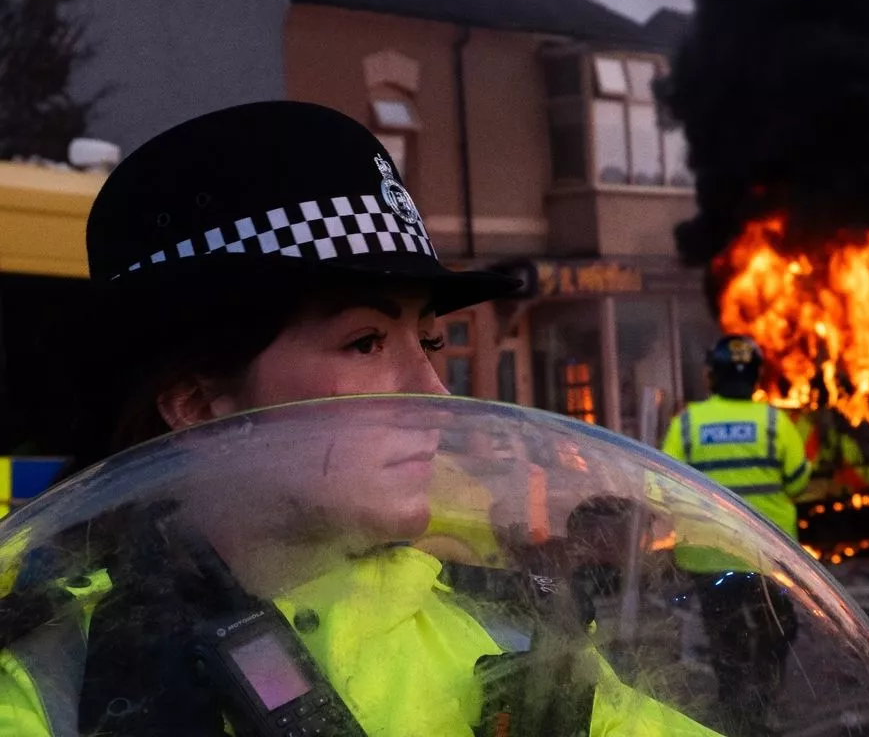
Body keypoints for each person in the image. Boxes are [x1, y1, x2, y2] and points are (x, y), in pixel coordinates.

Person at [0, 101, 720, 735]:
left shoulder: (508, 639)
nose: (433, 393)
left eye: (431, 341)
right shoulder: (65, 685)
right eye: (366, 342)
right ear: (196, 405)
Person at [660, 335, 811, 737]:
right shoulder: (775, 423)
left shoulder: (687, 424)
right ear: (755, 376)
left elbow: (661, 487)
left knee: (723, 633)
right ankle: (762, 699)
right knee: (778, 629)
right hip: (768, 557)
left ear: (713, 376)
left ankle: (732, 707)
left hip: (708, 557)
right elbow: (799, 483)